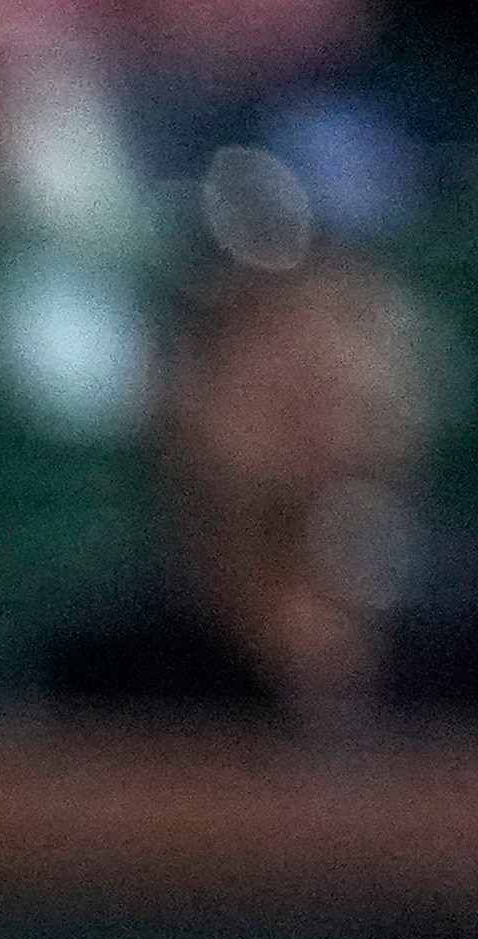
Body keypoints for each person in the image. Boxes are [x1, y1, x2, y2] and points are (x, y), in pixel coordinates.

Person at [38, 251, 478, 731]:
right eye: (273, 389)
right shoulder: (99, 673)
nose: (311, 427)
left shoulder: (457, 631)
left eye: (332, 389)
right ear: (185, 409)